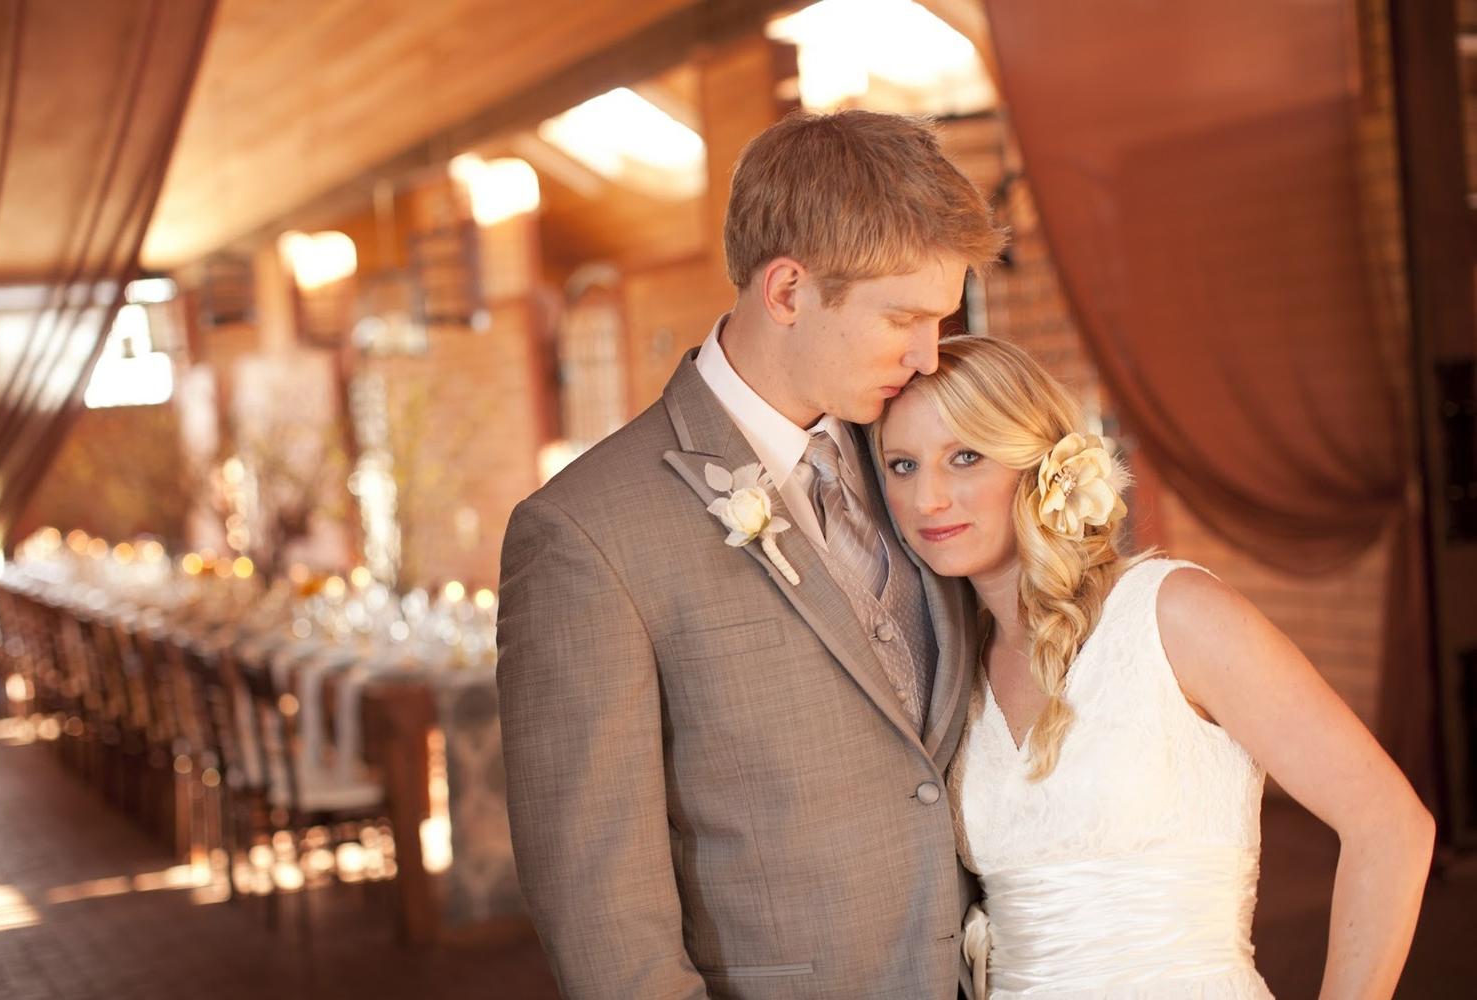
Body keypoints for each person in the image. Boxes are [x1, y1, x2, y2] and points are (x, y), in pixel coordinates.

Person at [496, 110, 1005, 998]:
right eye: (904, 319)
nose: (930, 358)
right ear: (787, 292)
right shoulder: (585, 535)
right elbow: (603, 913)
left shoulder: (917, 455)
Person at [875, 334, 1435, 999]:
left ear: (1041, 467)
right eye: (902, 465)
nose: (928, 499)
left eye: (965, 457)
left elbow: (1390, 823)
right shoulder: (952, 669)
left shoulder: (1172, 612)